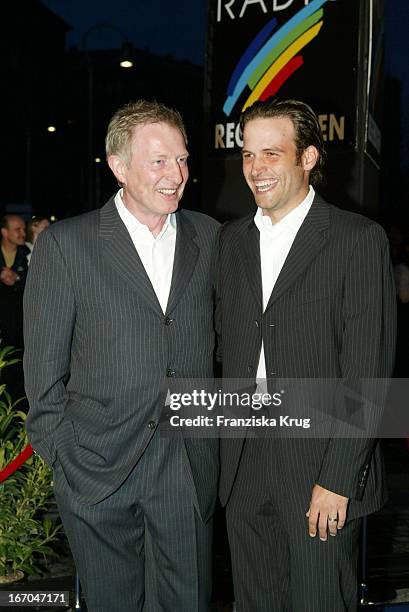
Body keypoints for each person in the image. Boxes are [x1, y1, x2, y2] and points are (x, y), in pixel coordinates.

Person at [24, 100, 219, 612]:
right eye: (159, 161)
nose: (177, 175)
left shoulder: (212, 237)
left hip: (186, 464)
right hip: (96, 466)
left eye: (182, 159)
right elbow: (43, 370)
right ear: (118, 165)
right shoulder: (67, 245)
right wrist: (64, 456)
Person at [216, 98, 396, 611]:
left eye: (272, 154)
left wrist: (338, 479)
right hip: (244, 464)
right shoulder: (231, 242)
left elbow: (369, 374)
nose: (256, 169)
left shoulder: (357, 239)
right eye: (249, 155)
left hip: (321, 467)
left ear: (309, 158)